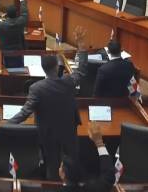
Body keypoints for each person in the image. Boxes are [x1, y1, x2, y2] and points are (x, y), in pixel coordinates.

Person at [7, 27, 88, 181]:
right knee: (71, 163)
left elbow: (25, 112)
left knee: (52, 165)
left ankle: (52, 184)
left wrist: (6, 125)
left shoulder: (36, 88)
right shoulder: (68, 82)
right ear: (57, 67)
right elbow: (81, 70)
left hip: (48, 134)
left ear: (43, 69)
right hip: (69, 131)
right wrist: (81, 46)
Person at [59, 122, 116, 191]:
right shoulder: (96, 189)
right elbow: (108, 176)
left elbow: (108, 177)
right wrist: (99, 142)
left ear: (62, 174)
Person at [0, 0, 28, 68]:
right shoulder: (21, 22)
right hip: (19, 52)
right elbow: (24, 12)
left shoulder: (0, 25)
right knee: (19, 67)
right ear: (17, 14)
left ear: (6, 14)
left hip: (5, 53)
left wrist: (2, 18)